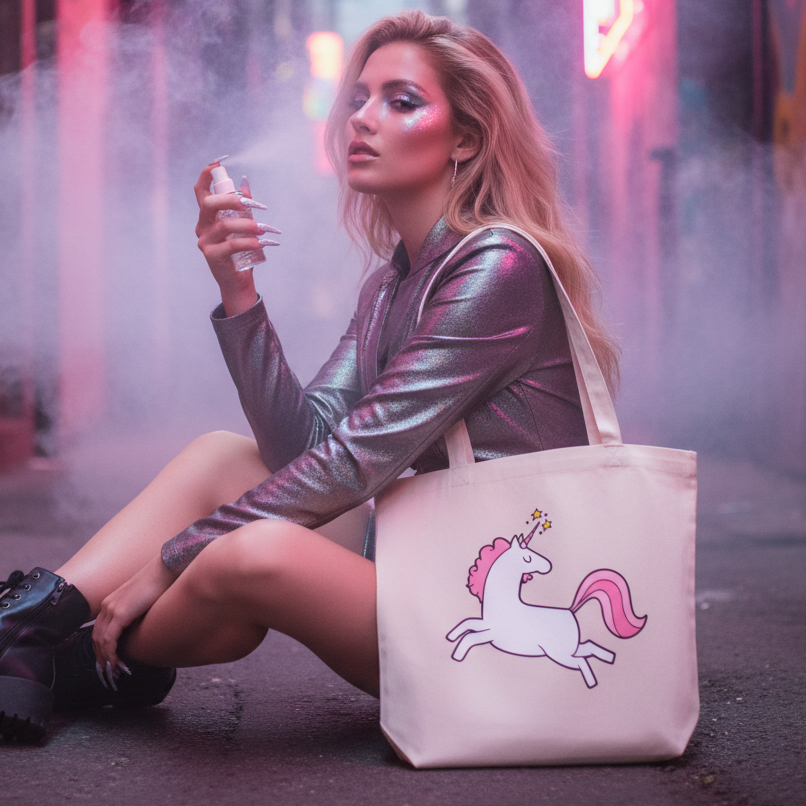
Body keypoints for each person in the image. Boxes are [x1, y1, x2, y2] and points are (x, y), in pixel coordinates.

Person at [0, 10, 619, 742]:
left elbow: (354, 463)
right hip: (412, 561)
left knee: (253, 549)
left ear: (467, 138)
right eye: (359, 97)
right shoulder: (393, 282)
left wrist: (173, 559)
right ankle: (30, 628)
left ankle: (76, 656)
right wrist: (239, 291)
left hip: (479, 620)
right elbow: (304, 443)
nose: (362, 118)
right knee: (221, 456)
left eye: (401, 100)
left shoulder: (498, 267)